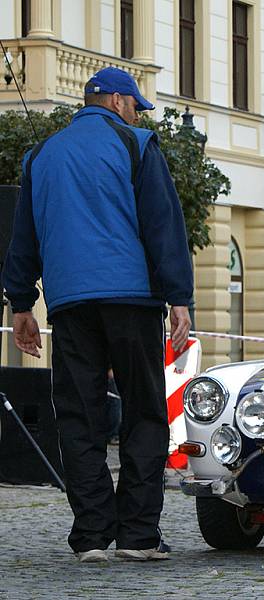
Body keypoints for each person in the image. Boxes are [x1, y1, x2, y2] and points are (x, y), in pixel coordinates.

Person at [1, 67, 193, 563]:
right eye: (134, 105)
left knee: (79, 418)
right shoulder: (138, 145)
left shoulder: (40, 156)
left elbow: (24, 237)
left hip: (70, 306)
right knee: (145, 412)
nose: (137, 114)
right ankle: (137, 536)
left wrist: (20, 303)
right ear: (114, 101)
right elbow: (162, 222)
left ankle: (91, 537)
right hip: (132, 299)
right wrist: (179, 297)